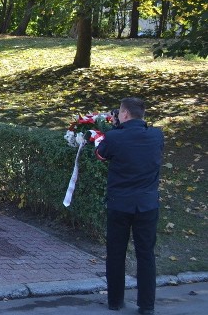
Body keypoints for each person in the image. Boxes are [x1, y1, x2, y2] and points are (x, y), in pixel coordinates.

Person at [90, 97, 164, 315]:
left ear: (124, 114)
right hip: (147, 204)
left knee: (115, 253)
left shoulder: (115, 137)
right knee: (146, 255)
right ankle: (147, 305)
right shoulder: (157, 135)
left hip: (120, 204)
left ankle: (115, 301)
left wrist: (113, 130)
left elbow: (100, 154)